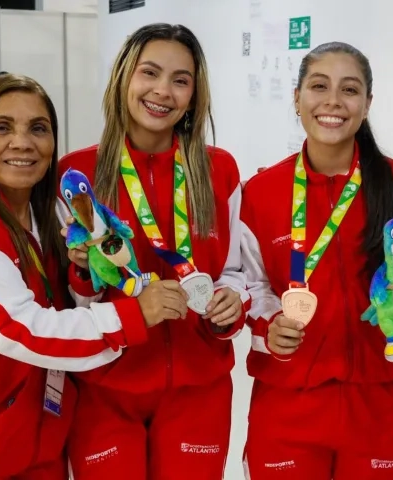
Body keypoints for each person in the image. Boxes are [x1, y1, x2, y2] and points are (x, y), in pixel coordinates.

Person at [0, 74, 183, 478]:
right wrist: (134, 316)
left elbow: (59, 305)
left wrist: (82, 275)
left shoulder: (44, 219)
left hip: (39, 450)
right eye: (1, 127)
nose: (22, 142)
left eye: (38, 128)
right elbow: (20, 328)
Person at [58, 24, 248, 479]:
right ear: (124, 76)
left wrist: (231, 304)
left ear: (194, 93)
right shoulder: (76, 175)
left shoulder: (218, 169)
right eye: (150, 73)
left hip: (198, 387)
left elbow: (235, 271)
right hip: (105, 387)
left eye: (181, 79)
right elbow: (71, 304)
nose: (163, 91)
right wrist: (82, 273)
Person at [241, 41, 393, 479]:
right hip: (289, 400)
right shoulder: (262, 192)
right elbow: (250, 283)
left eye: (349, 89)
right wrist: (269, 326)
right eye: (318, 86)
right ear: (297, 98)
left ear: (367, 104)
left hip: (380, 402)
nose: (333, 101)